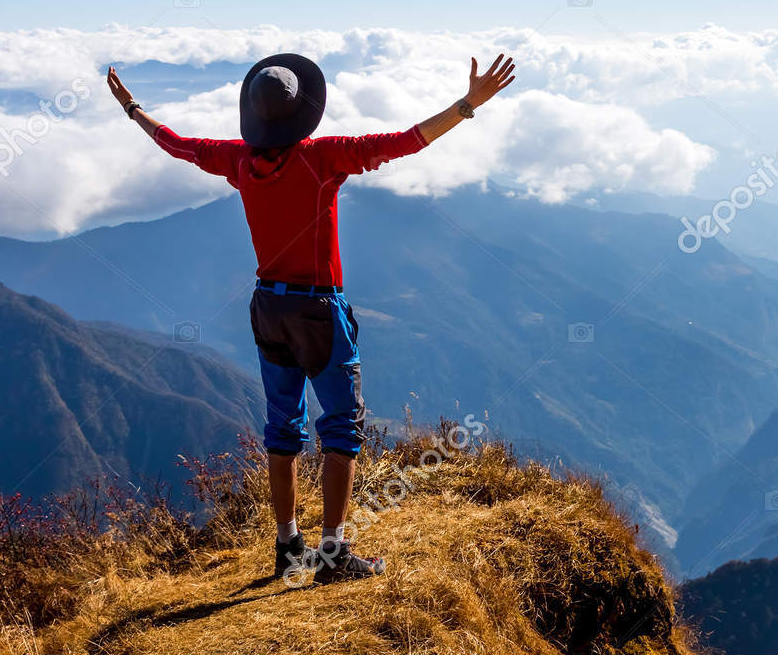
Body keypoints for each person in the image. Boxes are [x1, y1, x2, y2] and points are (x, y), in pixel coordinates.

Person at [106, 52, 516, 582]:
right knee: (342, 427)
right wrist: (466, 106)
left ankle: (287, 546)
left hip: (267, 307)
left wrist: (132, 108)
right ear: (302, 110)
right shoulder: (324, 158)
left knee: (283, 428)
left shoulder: (237, 160)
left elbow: (177, 144)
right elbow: (405, 141)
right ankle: (333, 553)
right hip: (318, 310)